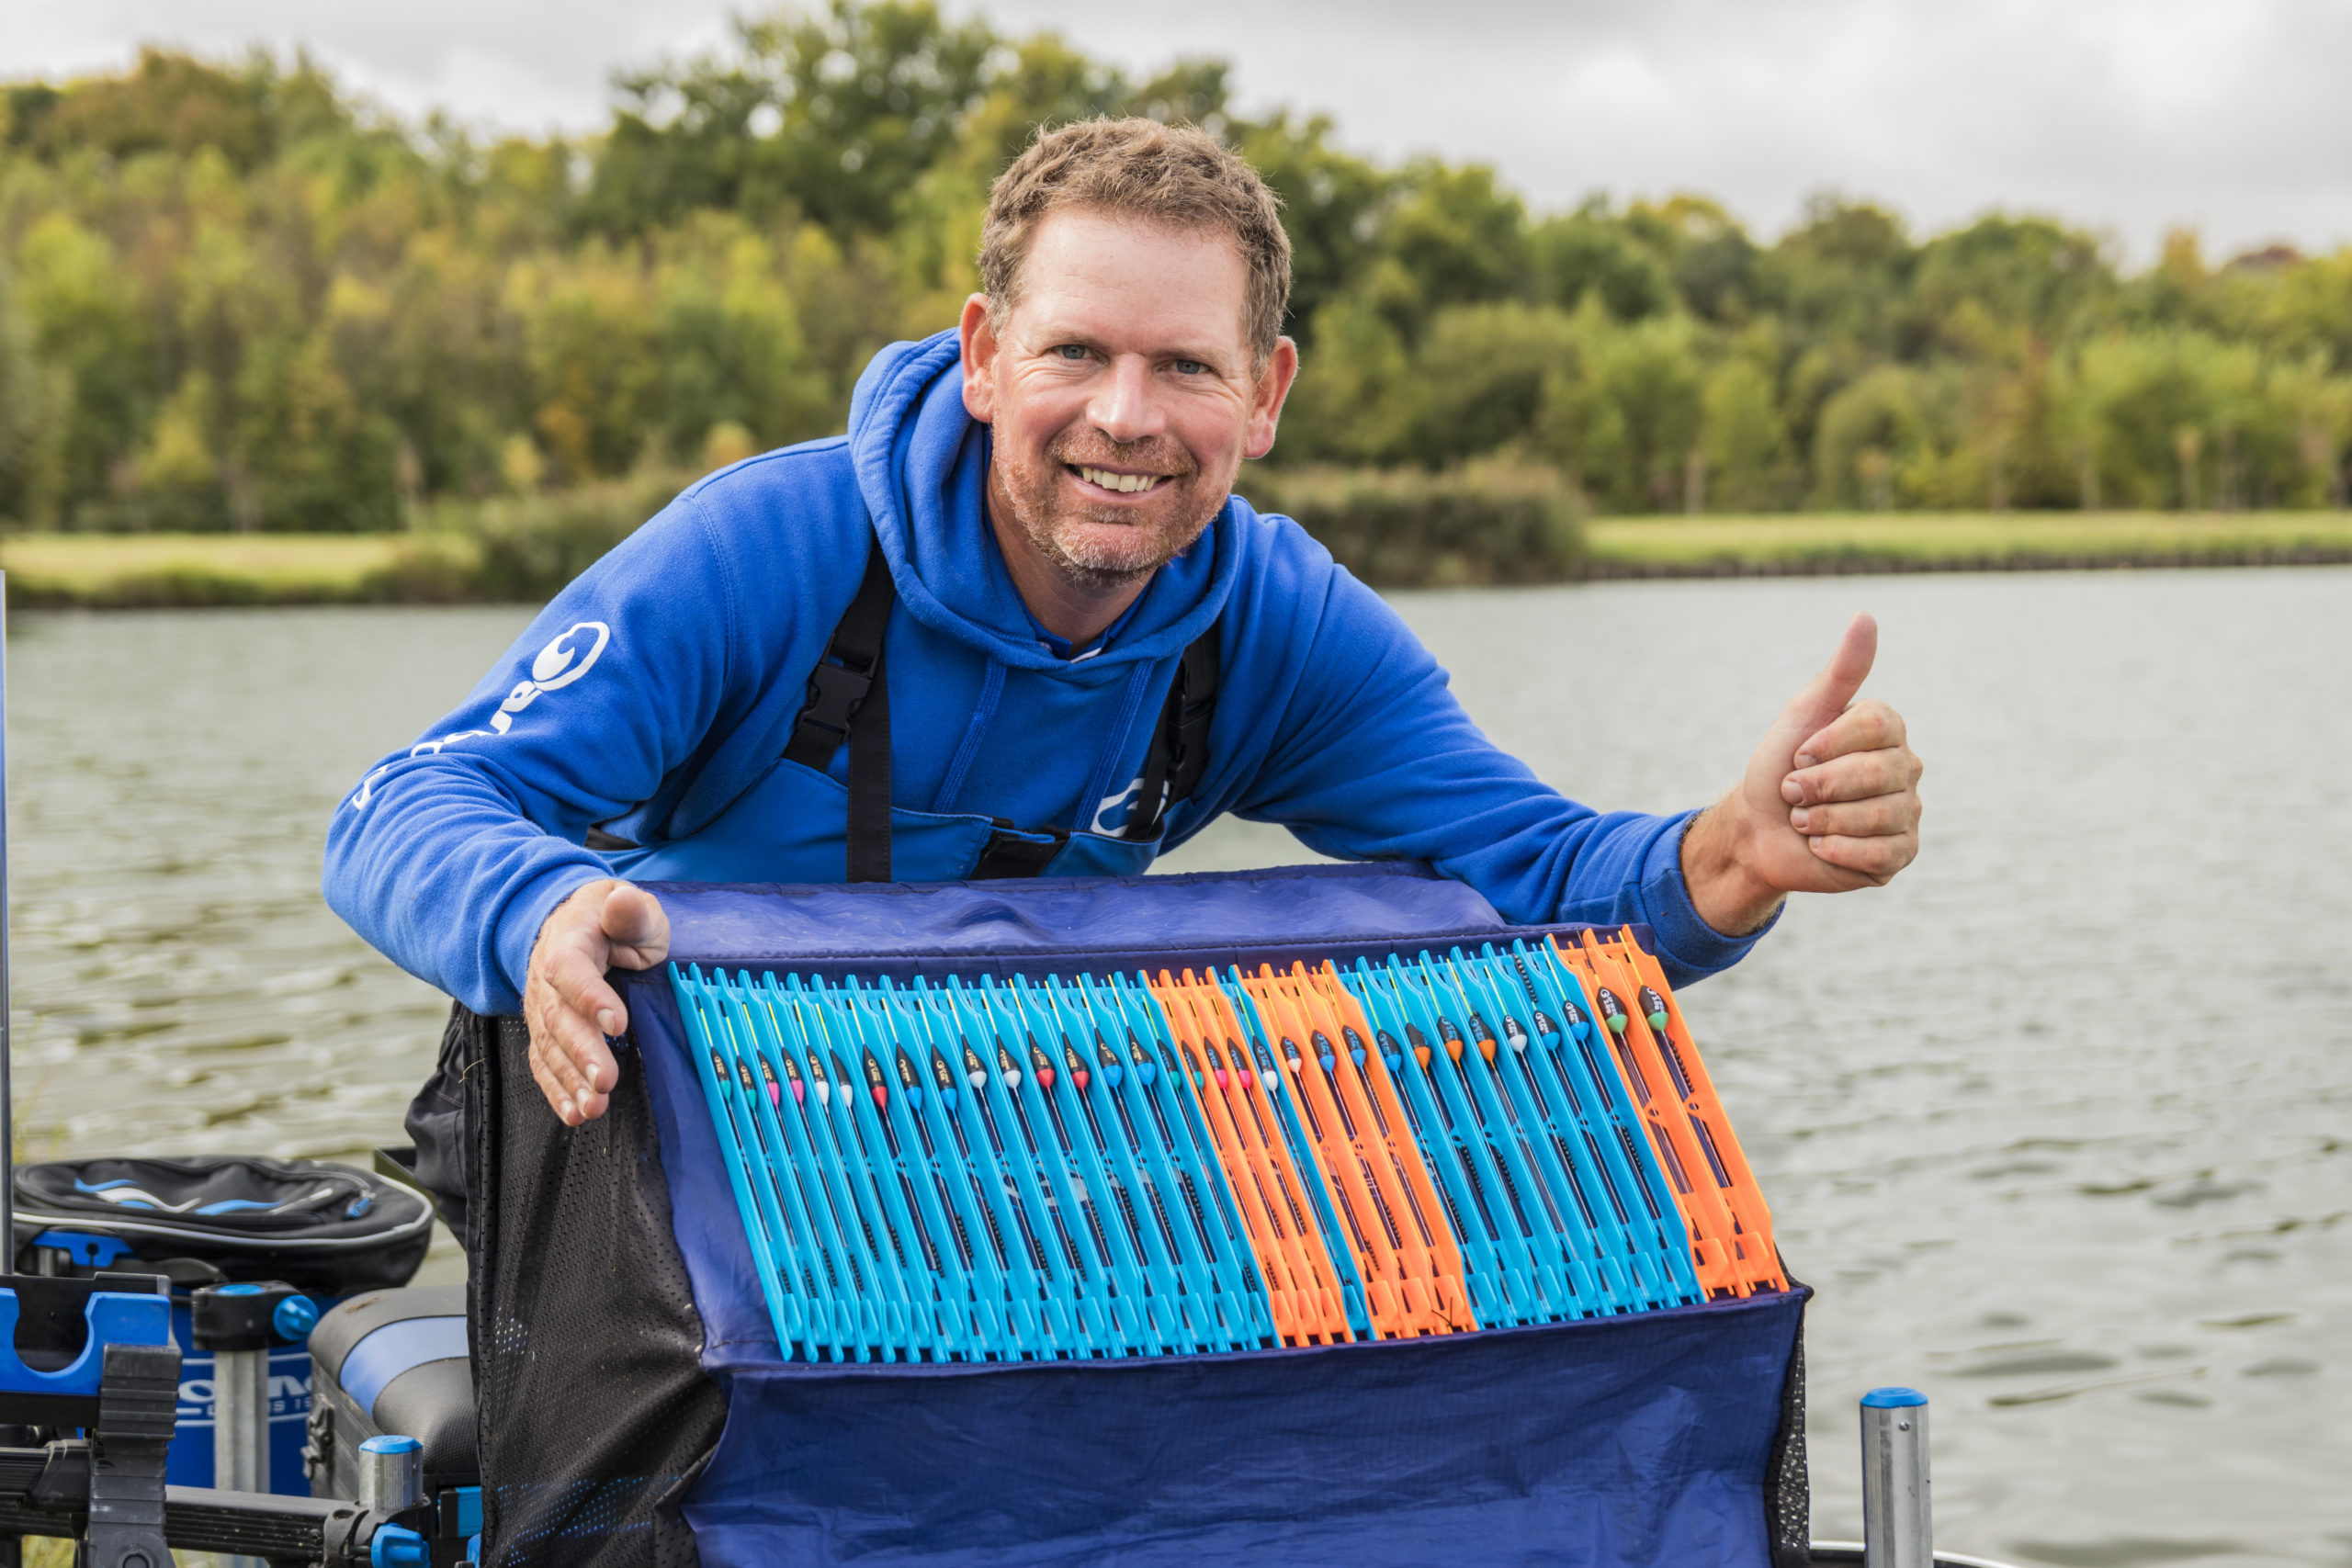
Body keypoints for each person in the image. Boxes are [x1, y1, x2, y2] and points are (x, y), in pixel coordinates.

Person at [324, 118, 1923, 1165]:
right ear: (980, 357)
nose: (1125, 419)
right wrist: (532, 909)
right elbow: (398, 812)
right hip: (662, 1153)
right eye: (1074, 351)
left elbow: (1536, 875)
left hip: (1008, 1173)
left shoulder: (1274, 623)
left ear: (1268, 396)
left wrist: (1733, 857)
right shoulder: (764, 550)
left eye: (1185, 367)